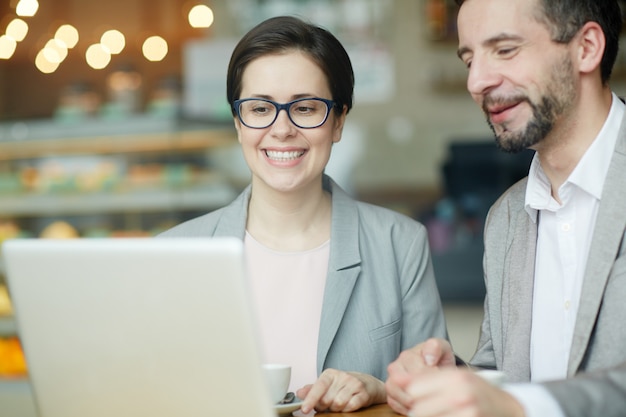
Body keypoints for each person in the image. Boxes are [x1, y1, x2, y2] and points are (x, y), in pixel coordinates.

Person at [159, 15, 449, 413]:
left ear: (338, 121)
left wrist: (380, 389)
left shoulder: (400, 243)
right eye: (260, 108)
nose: (281, 129)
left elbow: (439, 394)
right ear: (237, 123)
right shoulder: (172, 254)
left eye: (306, 108)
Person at [385, 0, 626, 416]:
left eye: (505, 50)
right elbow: (502, 376)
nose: (477, 81)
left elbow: (518, 402)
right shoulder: (506, 217)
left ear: (586, 47)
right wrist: (455, 380)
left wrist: (518, 404)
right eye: (469, 59)